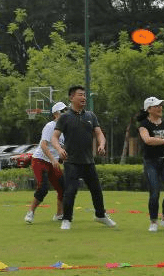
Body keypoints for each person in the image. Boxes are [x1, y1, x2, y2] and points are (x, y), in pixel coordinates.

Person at [51, 85, 117, 230]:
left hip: (88, 161)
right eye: (80, 95)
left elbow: (99, 133)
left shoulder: (91, 116)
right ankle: (67, 219)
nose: (83, 98)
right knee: (71, 190)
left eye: (84, 95)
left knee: (96, 190)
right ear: (71, 98)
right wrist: (59, 149)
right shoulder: (65, 117)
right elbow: (54, 138)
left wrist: (101, 144)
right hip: (71, 161)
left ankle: (101, 215)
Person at [137, 96, 164, 232]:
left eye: (161, 105)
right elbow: (147, 140)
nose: (160, 108)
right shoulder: (144, 125)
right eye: (156, 106)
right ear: (149, 109)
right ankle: (153, 222)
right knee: (154, 192)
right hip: (151, 163)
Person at [24, 101, 67, 224]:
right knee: (43, 188)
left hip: (53, 162)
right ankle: (30, 212)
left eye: (66, 111)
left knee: (63, 188)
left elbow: (62, 149)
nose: (66, 113)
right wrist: (53, 160)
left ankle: (59, 214)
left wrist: (62, 160)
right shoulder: (50, 126)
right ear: (56, 114)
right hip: (40, 160)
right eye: (63, 111)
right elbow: (43, 145)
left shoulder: (65, 130)